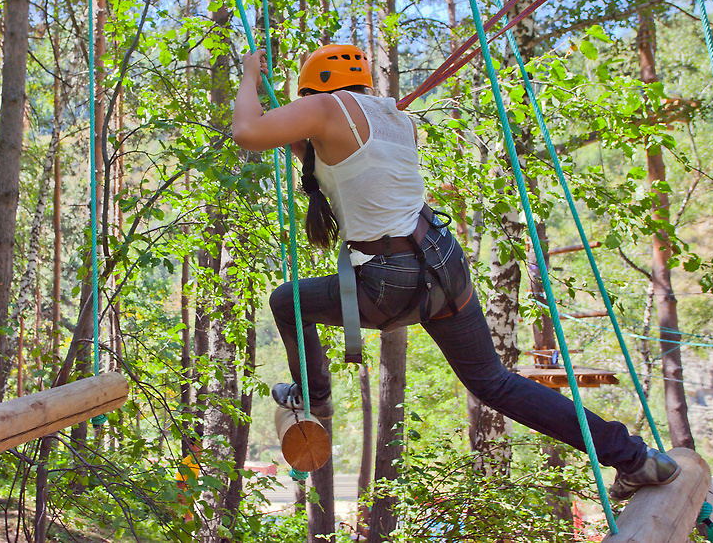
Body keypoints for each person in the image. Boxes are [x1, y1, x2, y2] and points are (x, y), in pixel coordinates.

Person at [231, 43, 679, 501]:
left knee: (286, 302)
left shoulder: (325, 108)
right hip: (443, 263)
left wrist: (249, 75)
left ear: (312, 90)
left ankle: (315, 397)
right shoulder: (397, 118)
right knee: (495, 383)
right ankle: (634, 457)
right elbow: (342, 167)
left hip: (389, 279)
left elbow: (247, 131)